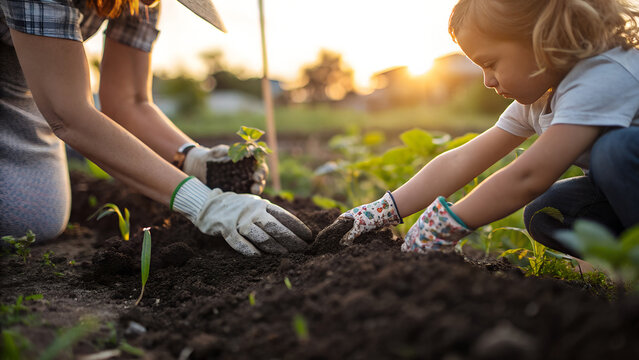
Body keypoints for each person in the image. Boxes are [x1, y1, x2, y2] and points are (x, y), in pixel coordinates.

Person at [326, 0, 639, 258]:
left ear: (543, 39)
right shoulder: (541, 99)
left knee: (616, 151)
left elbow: (530, 175)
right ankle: (625, 267)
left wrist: (446, 224)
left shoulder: (604, 75)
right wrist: (383, 210)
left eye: (491, 63)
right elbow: (461, 160)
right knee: (547, 212)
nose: (487, 81)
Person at [0, 0, 312, 256]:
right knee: (17, 221)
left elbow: (129, 101)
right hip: (36, 79)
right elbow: (69, 115)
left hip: (21, 79)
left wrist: (193, 158)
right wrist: (206, 205)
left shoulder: (142, 2)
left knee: (37, 216)